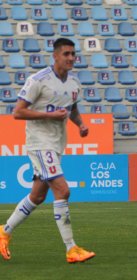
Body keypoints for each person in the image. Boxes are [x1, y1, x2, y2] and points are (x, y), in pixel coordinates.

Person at [0, 38, 95, 263]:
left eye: (73, 54)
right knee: (63, 191)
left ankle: (4, 231)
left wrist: (80, 124)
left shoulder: (73, 83)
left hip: (56, 143)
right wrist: (49, 115)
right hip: (40, 143)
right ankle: (71, 249)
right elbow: (18, 112)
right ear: (55, 55)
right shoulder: (38, 80)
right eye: (66, 54)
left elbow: (72, 109)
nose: (71, 58)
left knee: (38, 195)